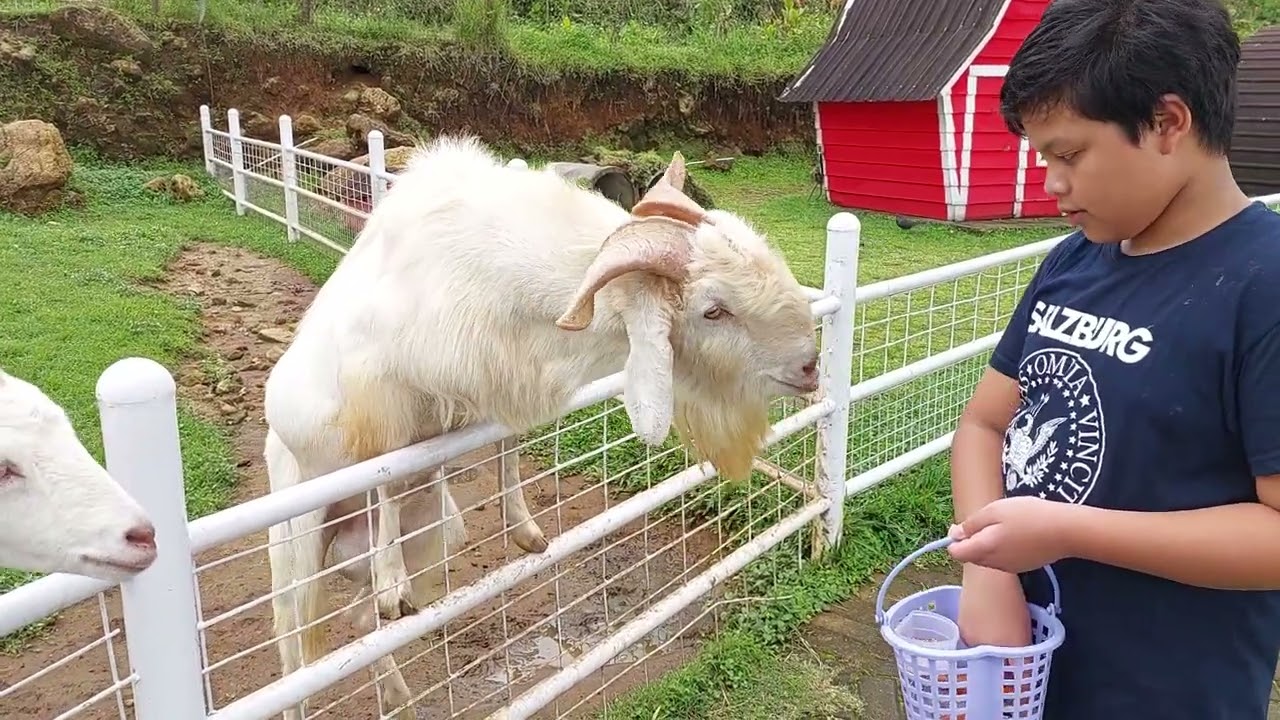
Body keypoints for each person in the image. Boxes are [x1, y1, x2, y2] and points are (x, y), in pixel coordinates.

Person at [945, 0, 1280, 717]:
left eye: (1068, 155)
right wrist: (988, 570)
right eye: (1042, 158)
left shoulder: (1265, 284)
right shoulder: (1075, 261)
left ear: (1167, 123)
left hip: (1165, 694)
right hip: (1021, 676)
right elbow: (983, 426)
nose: (1050, 183)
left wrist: (1066, 530)